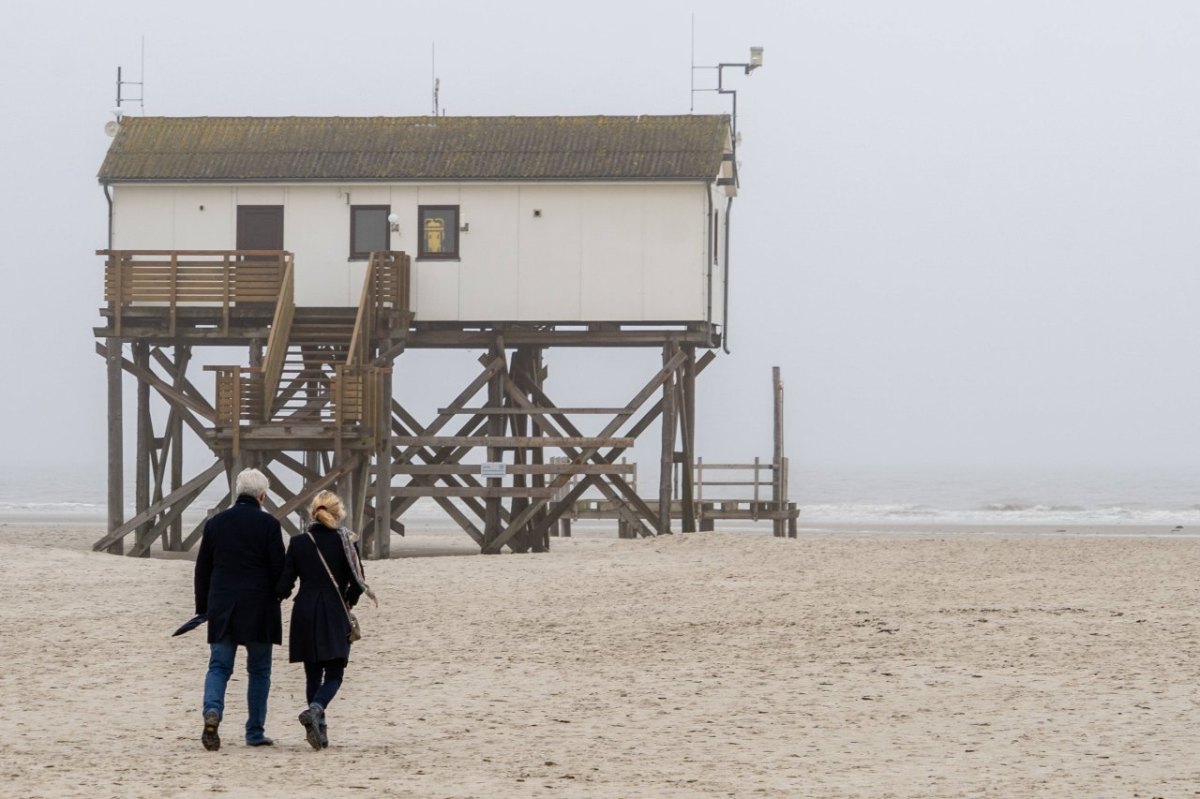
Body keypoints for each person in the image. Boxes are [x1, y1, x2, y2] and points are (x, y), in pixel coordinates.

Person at [194, 467, 285, 750]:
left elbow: (203, 569)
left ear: (237, 492)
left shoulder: (216, 523)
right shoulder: (269, 525)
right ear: (263, 496)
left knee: (219, 667)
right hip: (259, 608)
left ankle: (213, 712)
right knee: (259, 671)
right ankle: (254, 732)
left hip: (223, 605)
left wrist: (203, 607)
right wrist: (281, 594)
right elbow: (278, 568)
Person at [277, 490, 375, 750]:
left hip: (305, 611)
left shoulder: (298, 542)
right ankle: (317, 710)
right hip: (334, 611)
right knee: (335, 673)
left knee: (312, 673)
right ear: (338, 513)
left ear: (313, 512)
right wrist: (348, 602)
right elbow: (357, 583)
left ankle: (319, 729)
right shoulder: (347, 543)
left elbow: (285, 584)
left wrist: (270, 595)